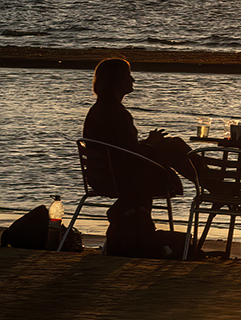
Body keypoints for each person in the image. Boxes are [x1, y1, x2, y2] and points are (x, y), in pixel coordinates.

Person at [83, 57, 198, 255]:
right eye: (128, 76)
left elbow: (122, 149)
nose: (133, 80)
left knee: (172, 146)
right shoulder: (115, 112)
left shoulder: (100, 109)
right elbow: (129, 156)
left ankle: (210, 182)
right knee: (176, 146)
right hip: (127, 179)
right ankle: (213, 185)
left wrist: (148, 143)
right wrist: (152, 145)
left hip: (107, 176)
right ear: (117, 81)